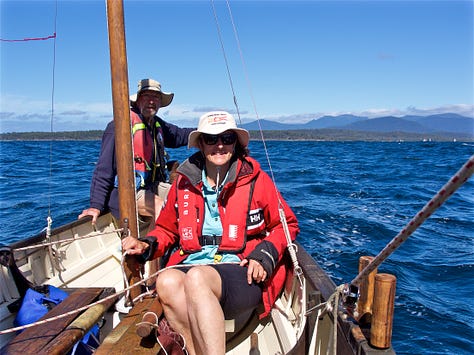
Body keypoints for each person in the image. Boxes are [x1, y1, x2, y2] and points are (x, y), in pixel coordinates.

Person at [122, 111, 299, 355]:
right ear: (201, 144)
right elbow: (166, 230)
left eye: (226, 138)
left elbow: (286, 225)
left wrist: (264, 255)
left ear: (235, 143)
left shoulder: (257, 180)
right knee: (167, 280)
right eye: (211, 139)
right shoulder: (183, 183)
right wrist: (147, 245)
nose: (219, 145)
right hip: (193, 263)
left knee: (196, 277)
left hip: (240, 268)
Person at [79, 78, 195, 226]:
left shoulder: (157, 124)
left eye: (156, 97)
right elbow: (104, 169)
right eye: (146, 96)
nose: (151, 101)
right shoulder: (119, 126)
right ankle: (159, 245)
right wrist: (96, 205)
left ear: (160, 102)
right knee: (161, 206)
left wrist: (210, 133)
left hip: (152, 186)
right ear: (138, 99)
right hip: (125, 193)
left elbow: (181, 135)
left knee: (188, 198)